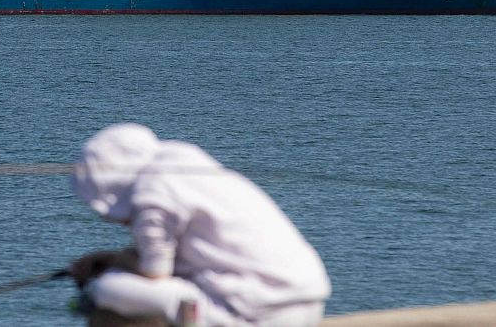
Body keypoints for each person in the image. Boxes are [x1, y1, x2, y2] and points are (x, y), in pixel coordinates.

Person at [68, 124, 330, 327]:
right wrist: (115, 257)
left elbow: (156, 274)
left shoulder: (152, 195)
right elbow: (196, 258)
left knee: (108, 288)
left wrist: (111, 269)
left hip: (259, 313)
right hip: (309, 299)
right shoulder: (189, 166)